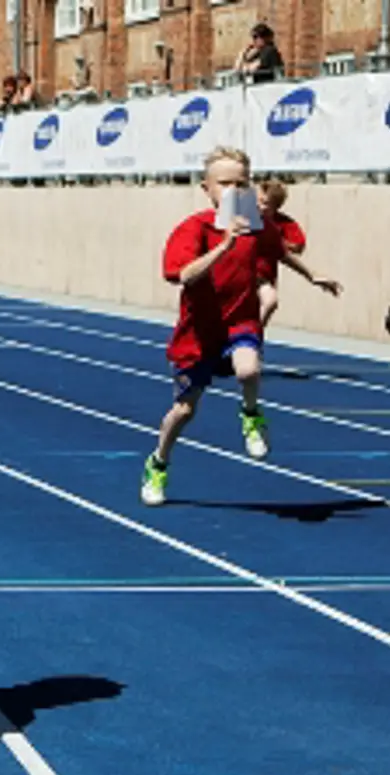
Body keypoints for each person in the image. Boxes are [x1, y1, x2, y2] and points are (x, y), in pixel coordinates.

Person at [140, 147, 340, 507]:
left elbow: (280, 250)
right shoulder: (193, 229)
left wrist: (314, 276)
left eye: (242, 183)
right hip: (198, 333)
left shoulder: (256, 225)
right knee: (184, 411)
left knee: (248, 369)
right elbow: (181, 275)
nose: (234, 190)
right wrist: (224, 245)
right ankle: (158, 463)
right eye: (225, 183)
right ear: (207, 188)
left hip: (240, 319)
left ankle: (250, 414)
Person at [255, 178, 306, 329]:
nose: (260, 207)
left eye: (266, 204)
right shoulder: (247, 217)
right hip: (246, 272)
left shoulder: (282, 223)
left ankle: (254, 334)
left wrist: (276, 241)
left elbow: (298, 245)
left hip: (265, 275)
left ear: (275, 207)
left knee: (269, 303)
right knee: (269, 300)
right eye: (259, 201)